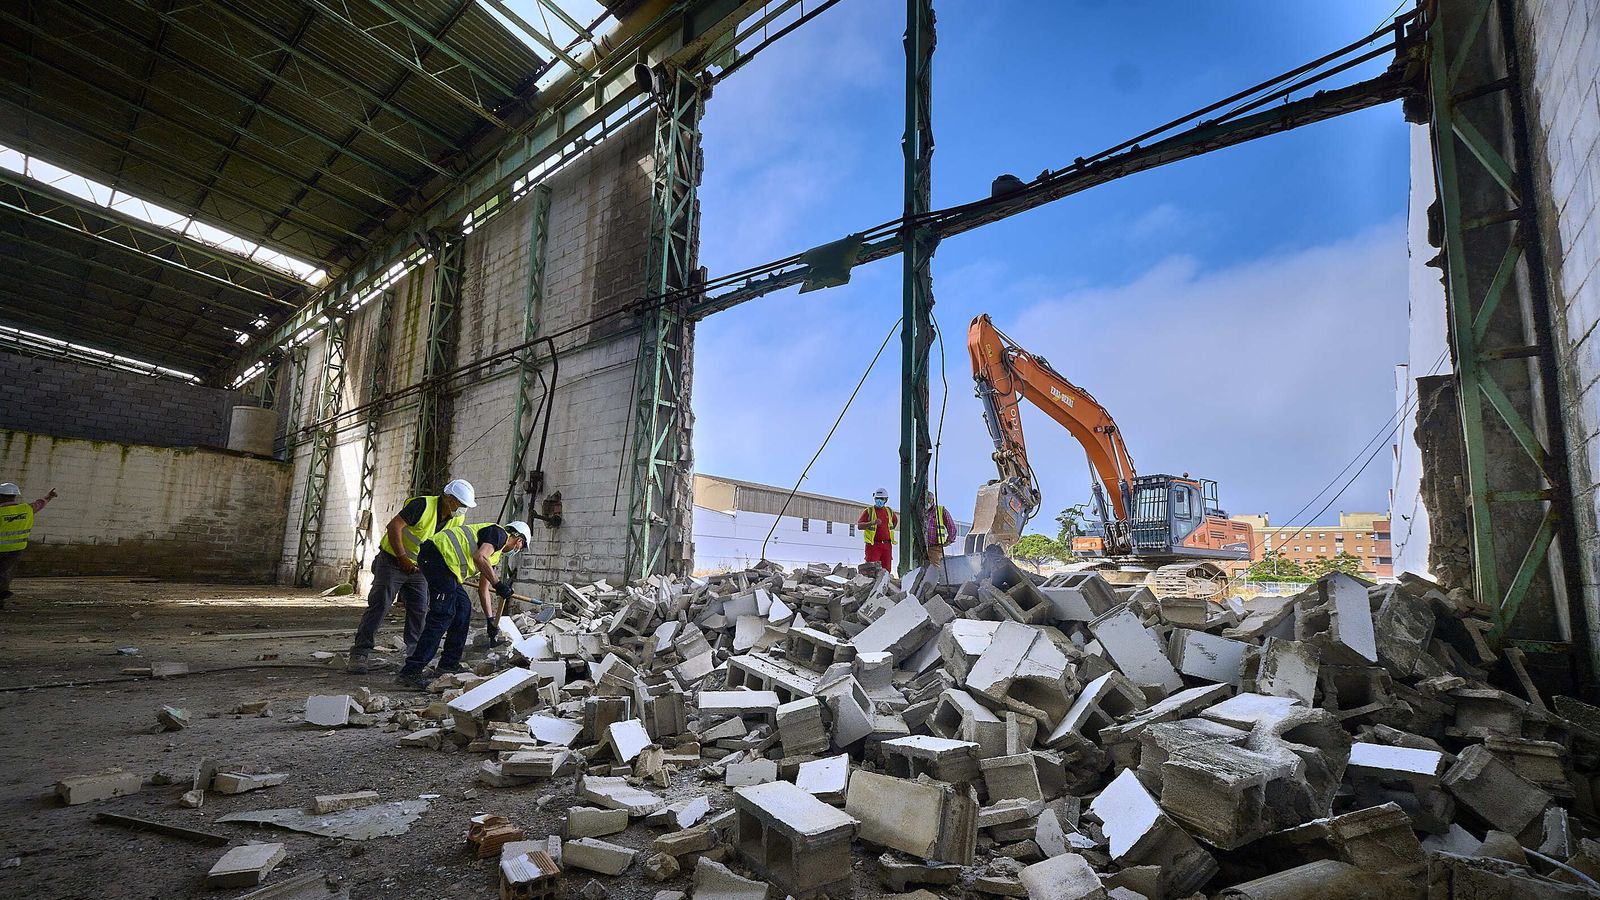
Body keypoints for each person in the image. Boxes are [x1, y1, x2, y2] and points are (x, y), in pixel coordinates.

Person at [347, 478, 476, 673]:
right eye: (462, 504)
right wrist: (402, 558)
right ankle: (360, 652)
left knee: (419, 610)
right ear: (449, 499)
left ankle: (414, 656)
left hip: (420, 569)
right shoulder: (422, 505)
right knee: (380, 605)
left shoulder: (456, 518)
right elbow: (394, 527)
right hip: (392, 561)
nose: (463, 510)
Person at [395, 519, 532, 690]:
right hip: (437, 556)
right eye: (521, 547)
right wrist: (498, 584)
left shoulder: (494, 554)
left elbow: (483, 589)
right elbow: (479, 557)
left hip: (448, 568)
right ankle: (411, 671)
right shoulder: (498, 534)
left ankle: (449, 663)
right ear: (519, 540)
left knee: (463, 608)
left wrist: (490, 620)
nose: (518, 550)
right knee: (442, 614)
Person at [0, 482, 57, 608]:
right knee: (6, 572)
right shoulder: (26, 509)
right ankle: (2, 594)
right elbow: (40, 504)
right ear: (14, 496)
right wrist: (49, 497)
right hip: (16, 549)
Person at [857, 487, 898, 571]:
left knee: (886, 570)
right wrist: (872, 523)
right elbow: (860, 526)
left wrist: (887, 532)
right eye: (877, 498)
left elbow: (895, 522)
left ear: (886, 499)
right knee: (871, 570)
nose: (879, 500)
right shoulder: (869, 511)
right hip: (873, 545)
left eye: (882, 499)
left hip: (887, 545)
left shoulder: (889, 511)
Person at [925, 491, 958, 566]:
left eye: (929, 501)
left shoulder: (940, 510)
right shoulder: (918, 511)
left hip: (934, 547)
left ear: (933, 500)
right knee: (915, 569)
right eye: (925, 501)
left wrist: (949, 541)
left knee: (934, 569)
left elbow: (952, 527)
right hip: (918, 547)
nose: (927, 503)